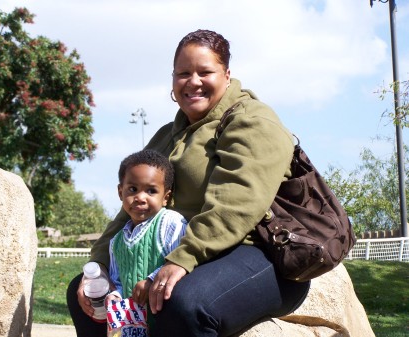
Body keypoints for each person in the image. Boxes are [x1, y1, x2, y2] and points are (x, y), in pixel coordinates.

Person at [67, 29, 310, 337]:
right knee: (86, 293)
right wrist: (99, 265)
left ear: (227, 74)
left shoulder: (252, 121)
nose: (193, 81)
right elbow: (131, 209)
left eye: (205, 72)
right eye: (183, 73)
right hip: (184, 255)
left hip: (259, 255)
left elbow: (236, 205)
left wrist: (181, 261)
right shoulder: (166, 135)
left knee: (182, 302)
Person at [105, 149, 187, 333]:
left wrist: (151, 280)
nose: (140, 197)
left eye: (151, 191)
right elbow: (117, 279)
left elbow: (179, 262)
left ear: (165, 197)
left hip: (167, 321)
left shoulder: (170, 223)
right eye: (132, 189)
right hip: (133, 326)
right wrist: (115, 295)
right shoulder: (116, 242)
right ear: (120, 192)